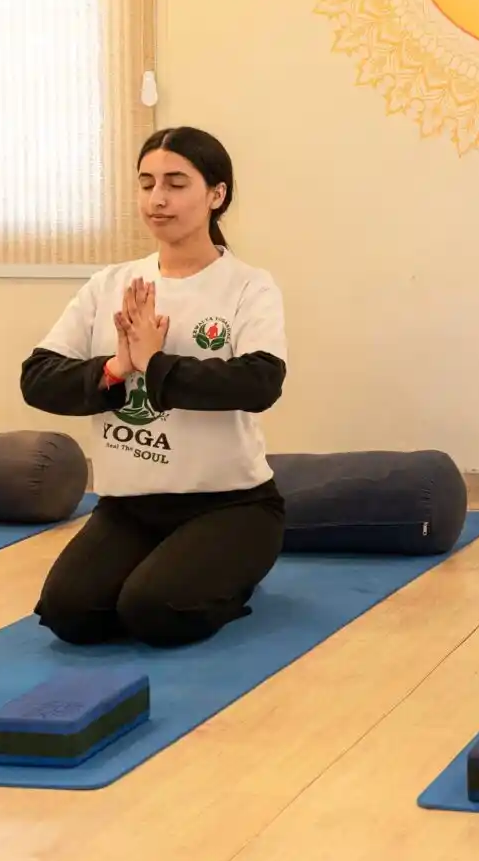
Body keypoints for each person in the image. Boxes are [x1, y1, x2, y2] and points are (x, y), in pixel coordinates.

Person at [19, 127, 287, 646]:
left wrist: (156, 364)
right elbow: (38, 378)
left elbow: (260, 382)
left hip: (230, 505)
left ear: (216, 194)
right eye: (147, 184)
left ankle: (233, 578)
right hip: (130, 506)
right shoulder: (109, 284)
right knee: (69, 615)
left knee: (155, 613)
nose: (157, 199)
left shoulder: (248, 285)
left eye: (176, 184)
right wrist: (117, 367)